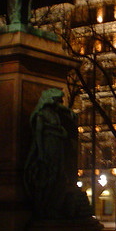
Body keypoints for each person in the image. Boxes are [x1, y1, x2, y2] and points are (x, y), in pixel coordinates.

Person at [24, 89, 90, 219]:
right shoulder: (42, 115)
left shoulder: (55, 113)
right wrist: (41, 153)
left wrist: (68, 112)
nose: (59, 102)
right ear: (50, 100)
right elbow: (38, 134)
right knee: (52, 175)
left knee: (59, 174)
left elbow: (62, 110)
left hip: (57, 145)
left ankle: (54, 206)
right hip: (49, 146)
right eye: (57, 100)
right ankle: (47, 206)